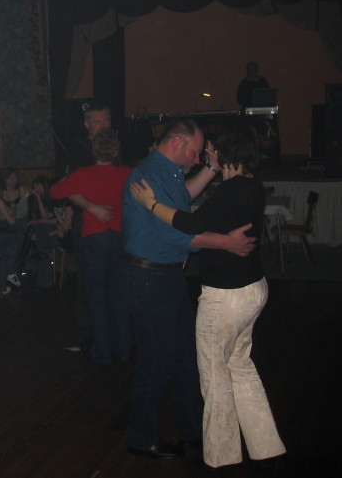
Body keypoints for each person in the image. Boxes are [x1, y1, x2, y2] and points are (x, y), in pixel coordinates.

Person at [130, 123, 286, 469]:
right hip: (249, 289)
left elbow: (188, 224)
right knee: (239, 366)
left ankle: (221, 456)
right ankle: (264, 444)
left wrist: (152, 204)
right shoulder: (251, 185)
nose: (205, 154)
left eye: (211, 149)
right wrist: (224, 239)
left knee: (214, 375)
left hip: (226, 296)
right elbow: (195, 213)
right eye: (201, 150)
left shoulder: (230, 190)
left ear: (226, 153)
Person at [50, 129, 132, 364]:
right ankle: (123, 349)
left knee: (96, 296)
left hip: (95, 238)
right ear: (115, 151)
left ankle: (102, 352)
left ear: (94, 150)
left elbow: (54, 192)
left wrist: (69, 182)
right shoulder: (127, 173)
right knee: (118, 294)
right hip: (120, 237)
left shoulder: (83, 174)